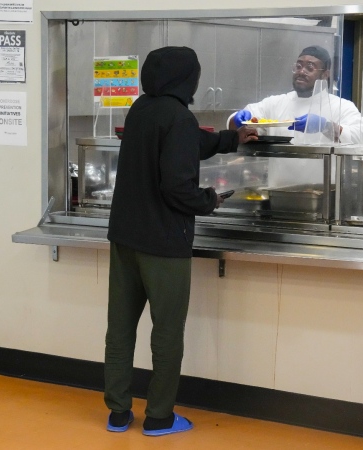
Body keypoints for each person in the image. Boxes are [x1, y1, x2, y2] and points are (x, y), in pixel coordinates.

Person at [105, 46, 257, 437]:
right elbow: (178, 188)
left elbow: (187, 142)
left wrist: (228, 139)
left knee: (120, 329)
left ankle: (118, 413)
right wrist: (209, 200)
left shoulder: (141, 109)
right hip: (163, 244)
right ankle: (159, 417)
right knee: (167, 333)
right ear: (187, 79)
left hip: (124, 238)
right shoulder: (179, 117)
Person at [228, 45, 363, 187]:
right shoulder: (276, 103)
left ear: (325, 74)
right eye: (298, 66)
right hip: (280, 193)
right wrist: (237, 118)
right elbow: (237, 125)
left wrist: (326, 126)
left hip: (323, 195)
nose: (301, 71)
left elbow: (362, 137)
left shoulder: (341, 106)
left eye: (310, 67)